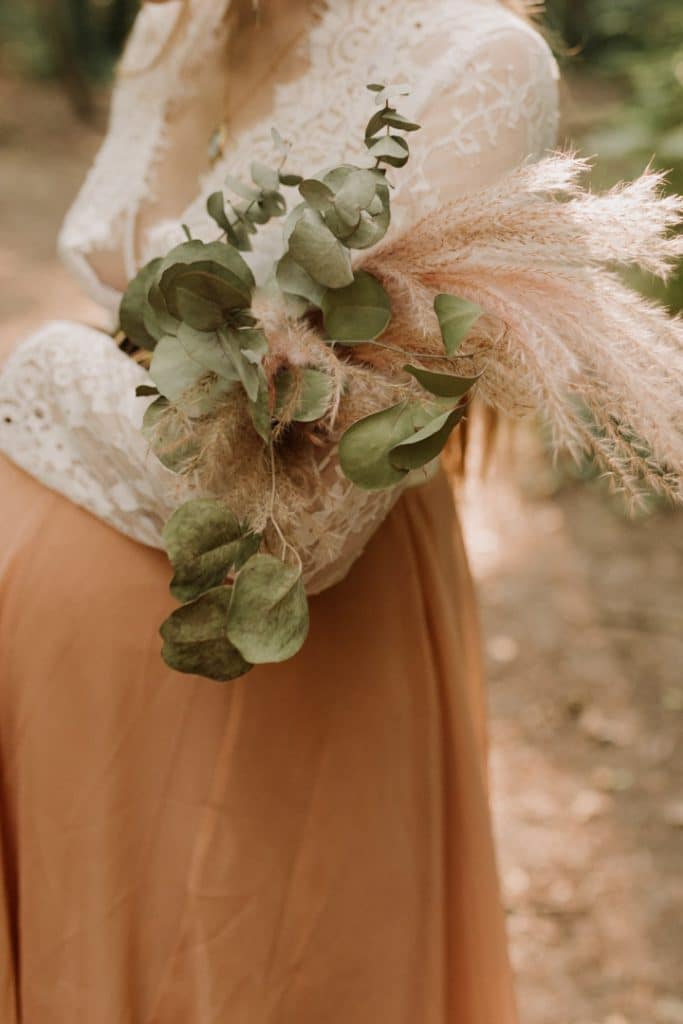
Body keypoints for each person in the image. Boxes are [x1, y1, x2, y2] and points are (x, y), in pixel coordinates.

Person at [0, 1, 559, 1020]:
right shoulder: (187, 22)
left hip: (258, 695)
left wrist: (45, 368)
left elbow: (305, 527)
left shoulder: (473, 65)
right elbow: (130, 277)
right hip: (61, 703)